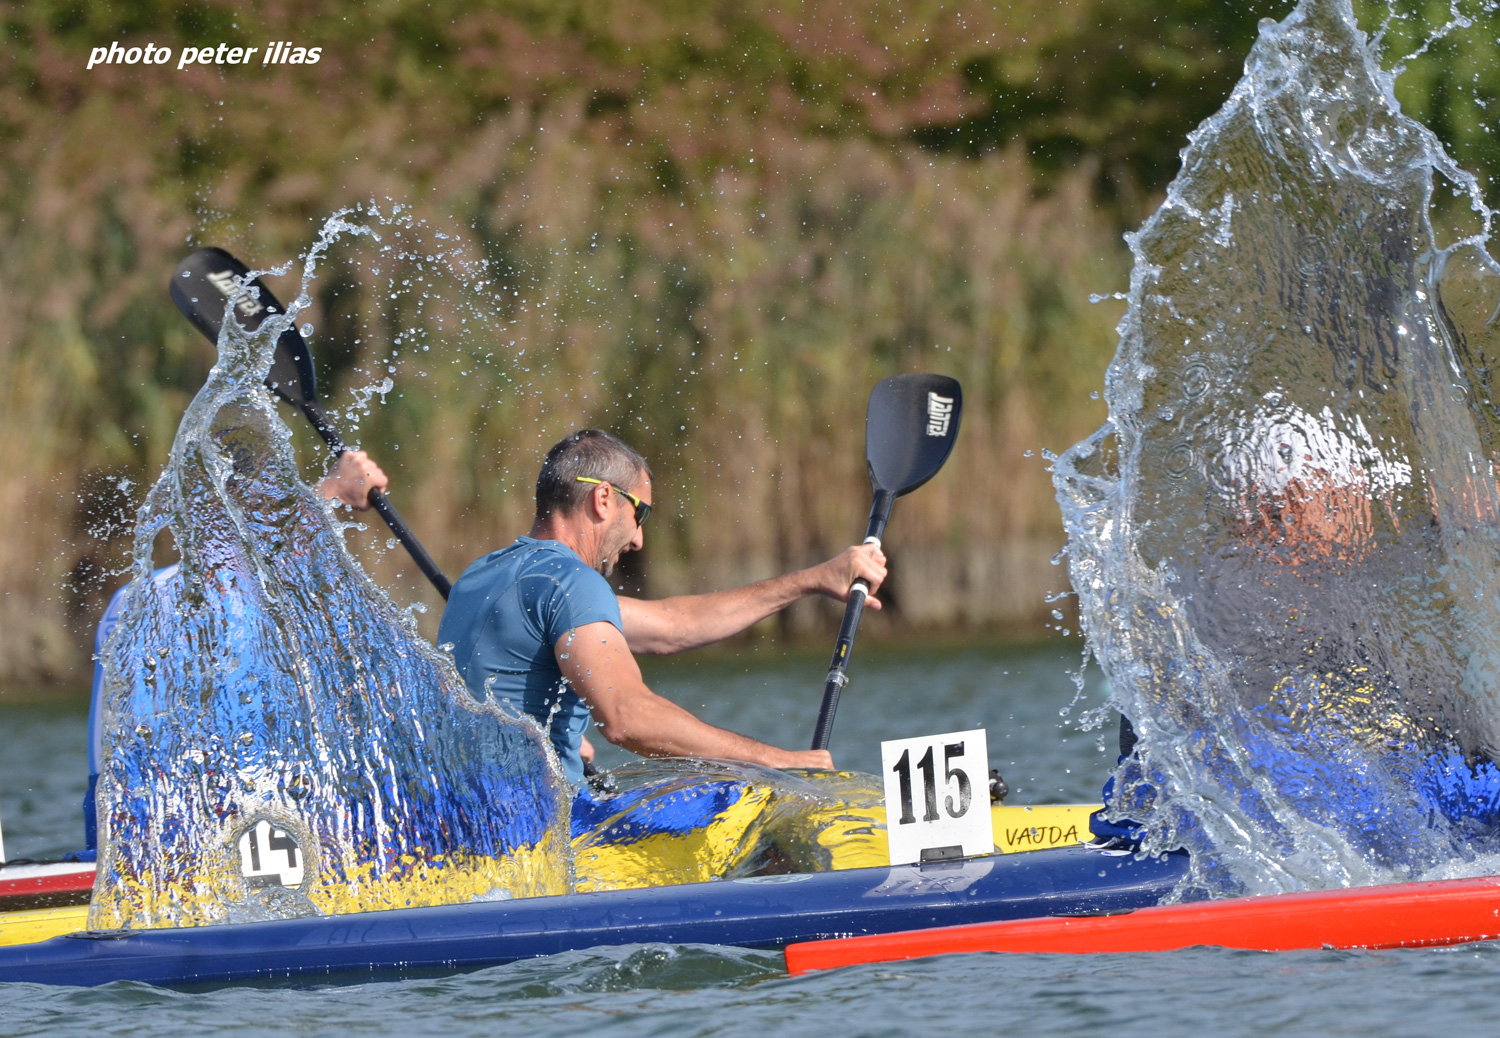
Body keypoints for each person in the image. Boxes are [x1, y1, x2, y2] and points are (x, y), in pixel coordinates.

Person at [437, 429, 888, 788]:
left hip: (464, 819)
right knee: (738, 810)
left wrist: (813, 579)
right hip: (538, 834)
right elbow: (627, 718)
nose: (638, 539)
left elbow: (675, 626)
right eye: (641, 514)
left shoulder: (481, 577)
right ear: (603, 499)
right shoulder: (573, 583)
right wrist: (778, 762)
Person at [81, 450, 389, 854]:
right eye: (268, 510)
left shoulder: (152, 593)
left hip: (172, 825)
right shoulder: (167, 597)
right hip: (170, 836)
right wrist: (330, 491)